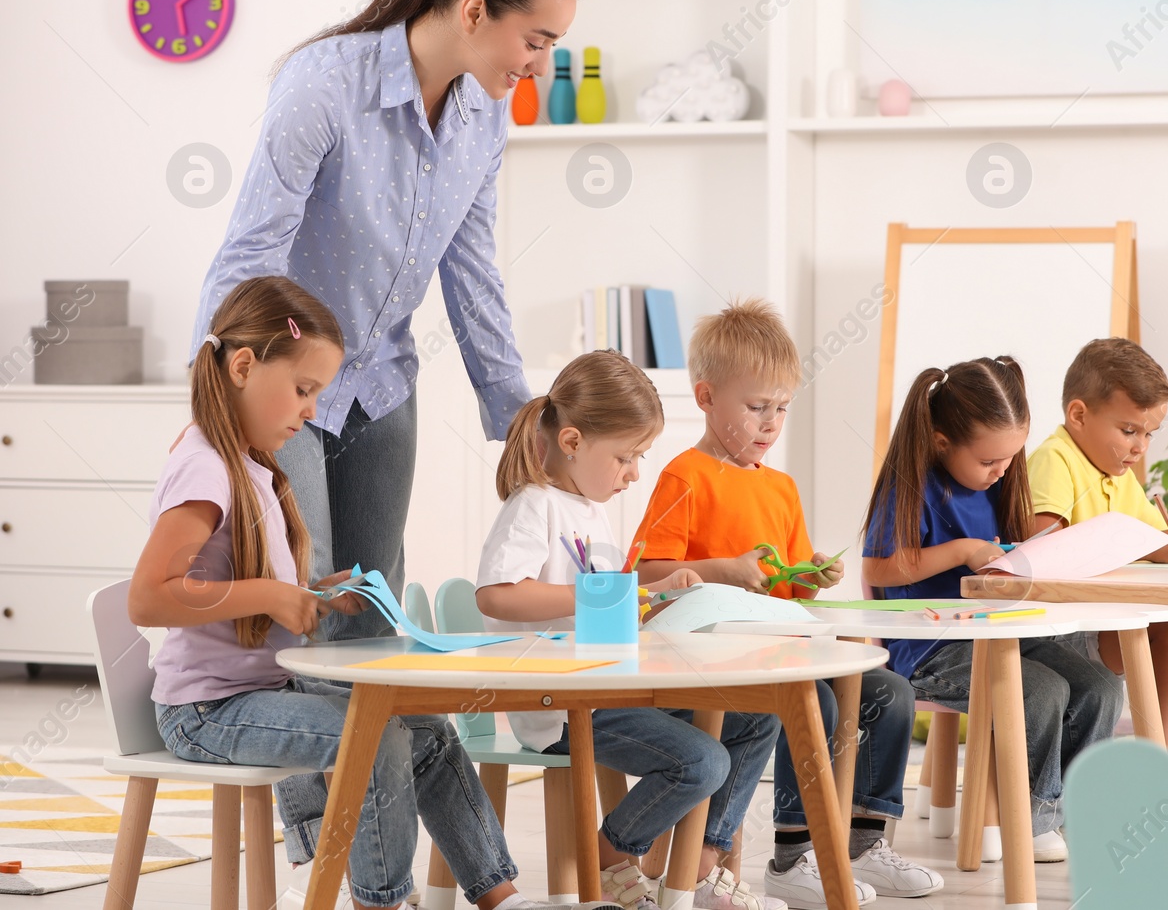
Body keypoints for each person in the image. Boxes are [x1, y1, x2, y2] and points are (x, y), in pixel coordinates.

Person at [129, 276, 574, 910]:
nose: (312, 412)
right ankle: (383, 900)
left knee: (426, 728)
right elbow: (149, 598)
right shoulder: (204, 467)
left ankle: (500, 895)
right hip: (206, 711)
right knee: (376, 738)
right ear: (244, 366)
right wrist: (267, 594)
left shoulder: (250, 463)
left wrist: (308, 590)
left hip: (261, 692)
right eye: (304, 390)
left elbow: (233, 574)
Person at [190, 0, 578, 642]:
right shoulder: (325, 85)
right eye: (536, 40)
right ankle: (316, 753)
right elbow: (252, 250)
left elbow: (472, 270)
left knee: (373, 609)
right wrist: (218, 383)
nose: (543, 65)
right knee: (309, 595)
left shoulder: (484, 115)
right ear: (472, 12)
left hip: (380, 382)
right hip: (281, 374)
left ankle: (378, 759)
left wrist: (515, 414)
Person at [634, 300, 943, 907]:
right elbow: (646, 575)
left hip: (780, 642)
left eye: (781, 408)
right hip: (712, 655)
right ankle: (795, 851)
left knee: (890, 693)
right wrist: (723, 571)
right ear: (705, 397)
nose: (771, 423)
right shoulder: (685, 476)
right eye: (756, 408)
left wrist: (813, 578)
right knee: (818, 703)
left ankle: (864, 840)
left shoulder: (781, 487)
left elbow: (788, 588)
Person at [476, 350, 776, 910]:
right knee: (701, 761)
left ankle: (699, 864)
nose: (634, 473)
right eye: (626, 457)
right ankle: (612, 853)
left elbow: (609, 607)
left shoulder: (590, 508)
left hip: (611, 687)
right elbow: (496, 595)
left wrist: (656, 599)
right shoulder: (534, 506)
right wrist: (601, 597)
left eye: (638, 457)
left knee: (758, 713)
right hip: (559, 702)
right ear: (571, 443)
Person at [859, 356, 1123, 862]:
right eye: (988, 462)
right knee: (1041, 691)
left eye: (1008, 459)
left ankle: (1071, 806)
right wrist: (962, 552)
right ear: (942, 442)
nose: (1001, 471)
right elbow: (878, 568)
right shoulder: (911, 486)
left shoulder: (995, 483)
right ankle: (1034, 817)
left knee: (1102, 685)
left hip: (1000, 631)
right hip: (932, 650)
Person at [1027, 337, 1168, 844]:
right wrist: (1150, 547)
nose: (1139, 447)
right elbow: (1047, 551)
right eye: (1129, 430)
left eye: (1149, 434)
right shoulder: (1055, 460)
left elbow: (1153, 537)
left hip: (1111, 623)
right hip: (1067, 631)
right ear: (1078, 415)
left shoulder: (1116, 472)